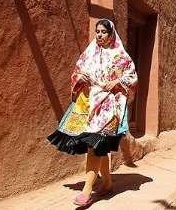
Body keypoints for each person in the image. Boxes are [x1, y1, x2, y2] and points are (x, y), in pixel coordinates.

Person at [47, 19, 138, 206]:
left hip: (110, 105)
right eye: (97, 31)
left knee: (95, 145)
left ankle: (86, 191)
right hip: (91, 103)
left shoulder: (120, 55)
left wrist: (117, 81)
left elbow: (132, 75)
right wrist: (81, 78)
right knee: (97, 146)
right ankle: (107, 183)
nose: (99, 35)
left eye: (103, 32)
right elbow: (77, 71)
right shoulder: (89, 53)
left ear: (111, 33)